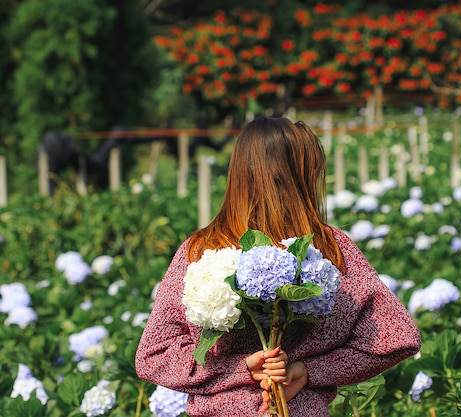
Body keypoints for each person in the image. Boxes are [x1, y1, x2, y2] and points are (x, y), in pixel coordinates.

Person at [135, 117, 421, 417]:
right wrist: (307, 371)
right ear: (302, 175)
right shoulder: (330, 250)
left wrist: (237, 369)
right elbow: (396, 338)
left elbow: (155, 355)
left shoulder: (201, 251)